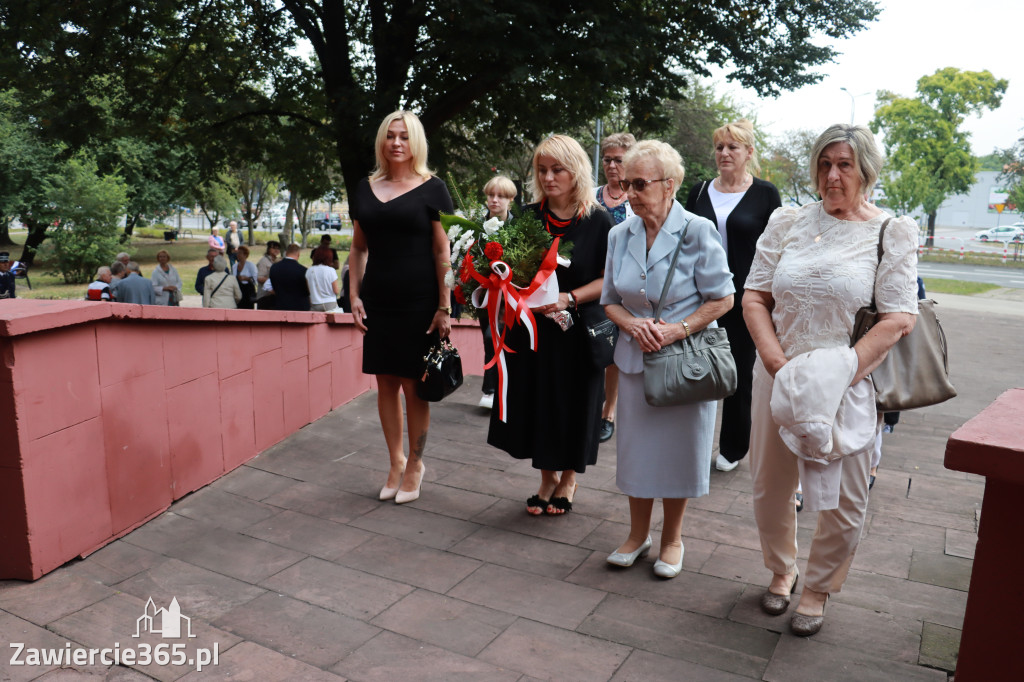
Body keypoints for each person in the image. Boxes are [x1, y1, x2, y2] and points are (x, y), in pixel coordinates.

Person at [743, 124, 918, 636]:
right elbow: (754, 296)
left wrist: (838, 373)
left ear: (866, 169)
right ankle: (782, 569)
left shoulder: (892, 232)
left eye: (844, 164)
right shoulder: (786, 222)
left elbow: (898, 318)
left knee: (844, 499)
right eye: (824, 164)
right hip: (778, 371)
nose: (832, 175)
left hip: (849, 383)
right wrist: (776, 363)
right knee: (769, 486)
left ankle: (818, 586)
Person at [601, 140, 735, 577]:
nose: (629, 192)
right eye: (625, 183)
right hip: (636, 360)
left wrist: (678, 329)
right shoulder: (619, 233)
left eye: (639, 184)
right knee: (637, 453)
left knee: (679, 454)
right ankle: (637, 536)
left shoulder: (697, 230)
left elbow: (724, 298)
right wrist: (631, 324)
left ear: (669, 185)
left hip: (686, 365)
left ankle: (672, 540)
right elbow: (609, 301)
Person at [487, 134, 613, 516]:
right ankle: (546, 477)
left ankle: (569, 477)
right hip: (532, 332)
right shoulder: (527, 216)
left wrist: (567, 298)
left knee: (575, 404)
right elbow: (510, 270)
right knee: (538, 402)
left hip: (577, 332)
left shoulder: (598, 220)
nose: (548, 177)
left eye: (557, 169)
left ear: (575, 170)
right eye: (542, 169)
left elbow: (610, 279)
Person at [348, 110, 454, 505]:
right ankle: (395, 460)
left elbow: (442, 249)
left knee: (414, 385)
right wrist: (354, 296)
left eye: (404, 136)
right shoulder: (364, 187)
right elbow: (358, 248)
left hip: (419, 300)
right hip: (378, 299)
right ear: (382, 141)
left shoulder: (433, 188)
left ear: (416, 143)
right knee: (384, 383)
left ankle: (416, 465)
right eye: (390, 136)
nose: (396, 143)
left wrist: (444, 305)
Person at [685, 119, 782, 473]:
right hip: (700, 296)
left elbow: (776, 247)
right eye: (719, 147)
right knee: (695, 369)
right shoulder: (697, 192)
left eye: (733, 147)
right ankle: (691, 441)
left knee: (739, 375)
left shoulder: (765, 193)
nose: (724, 153)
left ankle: (733, 447)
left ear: (749, 153)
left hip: (745, 298)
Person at [594, 132, 636, 443]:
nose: (611, 165)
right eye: (607, 159)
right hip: (589, 281)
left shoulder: (635, 198)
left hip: (622, 284)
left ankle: (609, 411)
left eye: (618, 160)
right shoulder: (592, 195)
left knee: (612, 350)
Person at [476, 175, 519, 409]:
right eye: (491, 195)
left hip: (512, 297)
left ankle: (492, 390)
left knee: (497, 339)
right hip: (485, 296)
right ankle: (495, 391)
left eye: (500, 196)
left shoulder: (518, 228)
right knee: (490, 340)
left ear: (510, 199)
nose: (494, 200)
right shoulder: (476, 228)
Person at [269, 243, 310, 311]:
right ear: (298, 254)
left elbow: (273, 286)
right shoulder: (303, 270)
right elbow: (307, 291)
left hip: (280, 305)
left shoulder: (274, 267)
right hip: (300, 307)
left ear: (286, 253)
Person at [306, 246, 340, 311]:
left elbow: (309, 290)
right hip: (330, 303)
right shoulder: (331, 270)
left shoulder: (309, 271)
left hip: (315, 303)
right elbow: (336, 291)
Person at [255, 241, 281, 310]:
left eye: (278, 248)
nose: (276, 250)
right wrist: (274, 280)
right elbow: (259, 278)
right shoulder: (263, 261)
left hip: (274, 296)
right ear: (269, 249)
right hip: (264, 296)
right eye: (274, 248)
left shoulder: (277, 260)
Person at [232, 245, 258, 309]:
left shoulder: (251, 265)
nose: (238, 254)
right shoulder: (234, 266)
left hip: (248, 292)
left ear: (245, 255)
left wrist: (246, 278)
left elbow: (256, 278)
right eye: (237, 253)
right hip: (237, 291)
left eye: (240, 253)